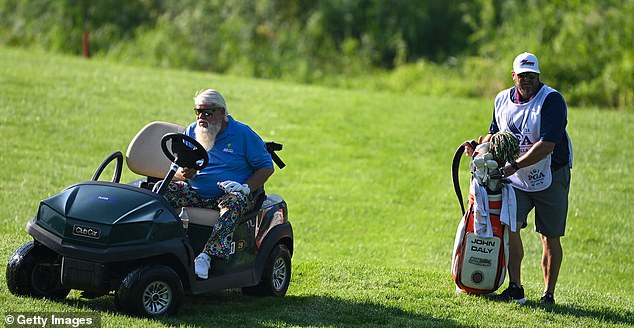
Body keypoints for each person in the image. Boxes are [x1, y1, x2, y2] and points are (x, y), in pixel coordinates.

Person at [464, 52, 573, 304]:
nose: (527, 80)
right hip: (515, 178)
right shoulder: (502, 99)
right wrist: (478, 146)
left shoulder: (552, 100)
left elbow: (547, 145)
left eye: (532, 76)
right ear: (514, 76)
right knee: (511, 230)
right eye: (522, 76)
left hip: (551, 174)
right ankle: (516, 288)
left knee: (550, 235)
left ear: (538, 76)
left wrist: (514, 165)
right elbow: (495, 134)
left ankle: (548, 294)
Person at [163, 88, 274, 279]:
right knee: (160, 192)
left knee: (234, 201)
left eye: (208, 112)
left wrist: (245, 187)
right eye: (198, 111)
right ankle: (162, 246)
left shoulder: (242, 134)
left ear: (222, 112)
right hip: (197, 192)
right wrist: (187, 172)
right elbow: (185, 167)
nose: (201, 117)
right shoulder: (193, 130)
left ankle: (207, 256)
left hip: (232, 193)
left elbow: (266, 167)